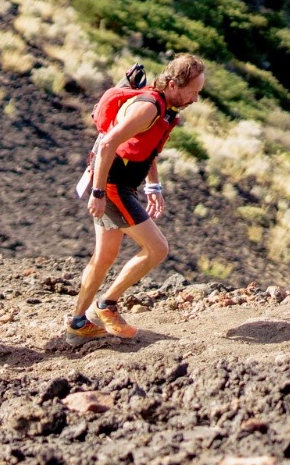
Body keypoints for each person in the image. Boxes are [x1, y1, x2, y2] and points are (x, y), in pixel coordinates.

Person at [66, 55, 207, 343]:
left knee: (104, 256)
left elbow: (145, 149)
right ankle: (106, 305)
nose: (195, 99)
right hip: (113, 186)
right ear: (171, 84)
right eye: (192, 92)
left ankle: (79, 323)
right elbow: (107, 144)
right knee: (156, 248)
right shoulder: (148, 108)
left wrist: (153, 187)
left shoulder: (163, 108)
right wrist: (98, 192)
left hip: (121, 185)